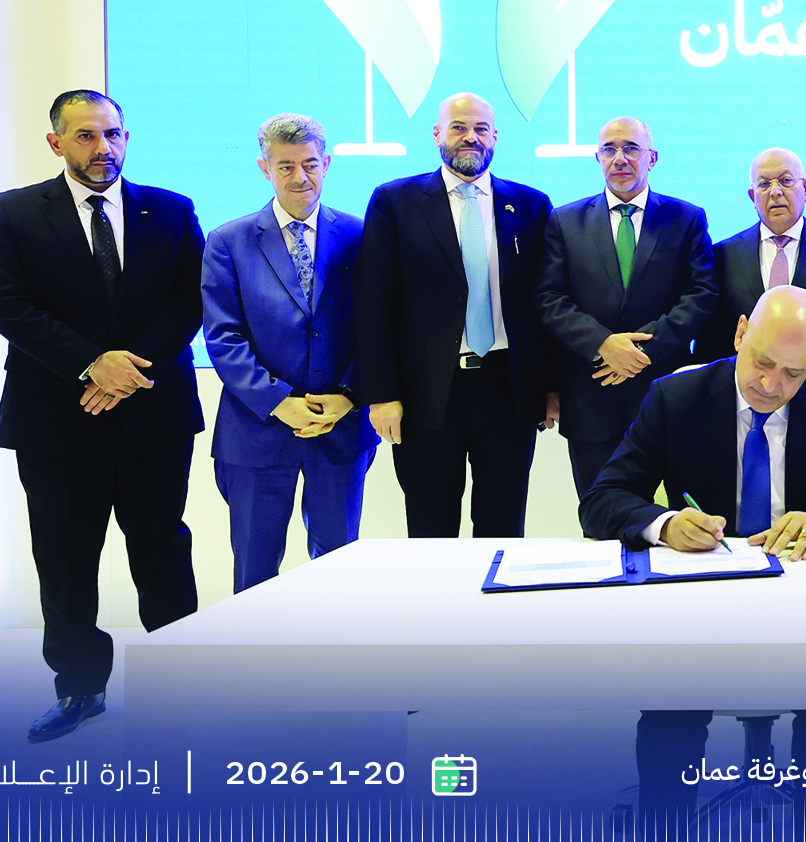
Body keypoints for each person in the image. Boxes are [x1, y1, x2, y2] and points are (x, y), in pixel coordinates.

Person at [582, 286, 806, 842]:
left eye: (794, 373)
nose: (771, 385)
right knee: (670, 707)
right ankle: (664, 831)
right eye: (763, 362)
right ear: (740, 334)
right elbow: (601, 501)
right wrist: (665, 523)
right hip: (702, 605)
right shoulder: (677, 397)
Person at [0, 90, 204, 742]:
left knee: (162, 548)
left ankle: (180, 685)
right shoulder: (15, 212)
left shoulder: (171, 209)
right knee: (65, 557)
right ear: (56, 142)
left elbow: (191, 298)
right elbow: (5, 304)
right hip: (57, 418)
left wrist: (125, 370)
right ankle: (80, 688)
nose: (103, 147)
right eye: (85, 136)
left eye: (112, 134)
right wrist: (89, 363)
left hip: (153, 411)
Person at [354, 93, 557, 538]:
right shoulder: (395, 202)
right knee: (431, 532)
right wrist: (382, 394)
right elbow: (373, 307)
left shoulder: (531, 205)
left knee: (503, 528)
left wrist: (551, 387)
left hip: (508, 392)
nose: (471, 137)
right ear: (437, 134)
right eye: (459, 127)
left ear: (495, 136)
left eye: (481, 129)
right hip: (426, 395)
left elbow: (545, 305)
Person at [200, 114, 377, 593]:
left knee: (338, 570)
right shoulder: (228, 241)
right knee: (255, 570)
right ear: (265, 168)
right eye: (285, 166)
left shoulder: (362, 235)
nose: (300, 177)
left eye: (310, 164)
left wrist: (347, 395)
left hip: (340, 428)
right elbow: (223, 337)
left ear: (327, 163)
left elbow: (377, 330)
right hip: (256, 431)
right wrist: (280, 402)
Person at [538, 116, 717, 526]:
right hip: (591, 398)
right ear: (597, 158)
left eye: (631, 148)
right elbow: (548, 299)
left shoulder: (686, 218)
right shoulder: (565, 221)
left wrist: (637, 351)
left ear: (652, 158)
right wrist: (604, 345)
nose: (620, 158)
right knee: (601, 518)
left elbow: (701, 295)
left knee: (680, 521)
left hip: (666, 396)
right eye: (610, 149)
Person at [693, 148, 806, 403]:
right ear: (752, 196)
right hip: (744, 399)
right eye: (764, 184)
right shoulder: (724, 255)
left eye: (786, 180)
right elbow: (710, 346)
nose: (775, 192)